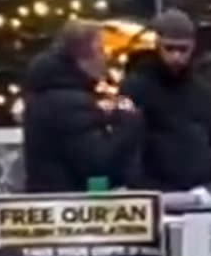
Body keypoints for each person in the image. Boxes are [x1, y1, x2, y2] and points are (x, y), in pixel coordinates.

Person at [21, 20, 142, 193]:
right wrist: (127, 124)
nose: (105, 59)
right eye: (101, 50)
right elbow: (98, 165)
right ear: (84, 56)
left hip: (52, 200)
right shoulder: (68, 104)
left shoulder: (50, 93)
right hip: (67, 203)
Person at [119, 9, 211, 192]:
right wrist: (139, 182)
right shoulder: (136, 86)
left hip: (196, 190)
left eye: (183, 49)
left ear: (193, 47)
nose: (176, 56)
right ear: (157, 46)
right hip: (153, 191)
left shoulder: (200, 89)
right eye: (169, 48)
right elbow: (125, 143)